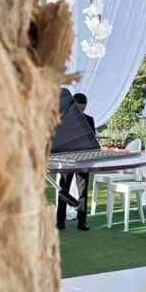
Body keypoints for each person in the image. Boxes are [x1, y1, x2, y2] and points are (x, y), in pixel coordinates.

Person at [56, 91, 95, 232]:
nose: (81, 112)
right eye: (79, 108)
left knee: (83, 191)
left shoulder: (90, 120)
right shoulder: (63, 121)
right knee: (63, 190)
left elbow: (92, 142)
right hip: (67, 161)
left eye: (83, 109)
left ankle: (82, 221)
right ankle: (60, 221)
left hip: (83, 162)